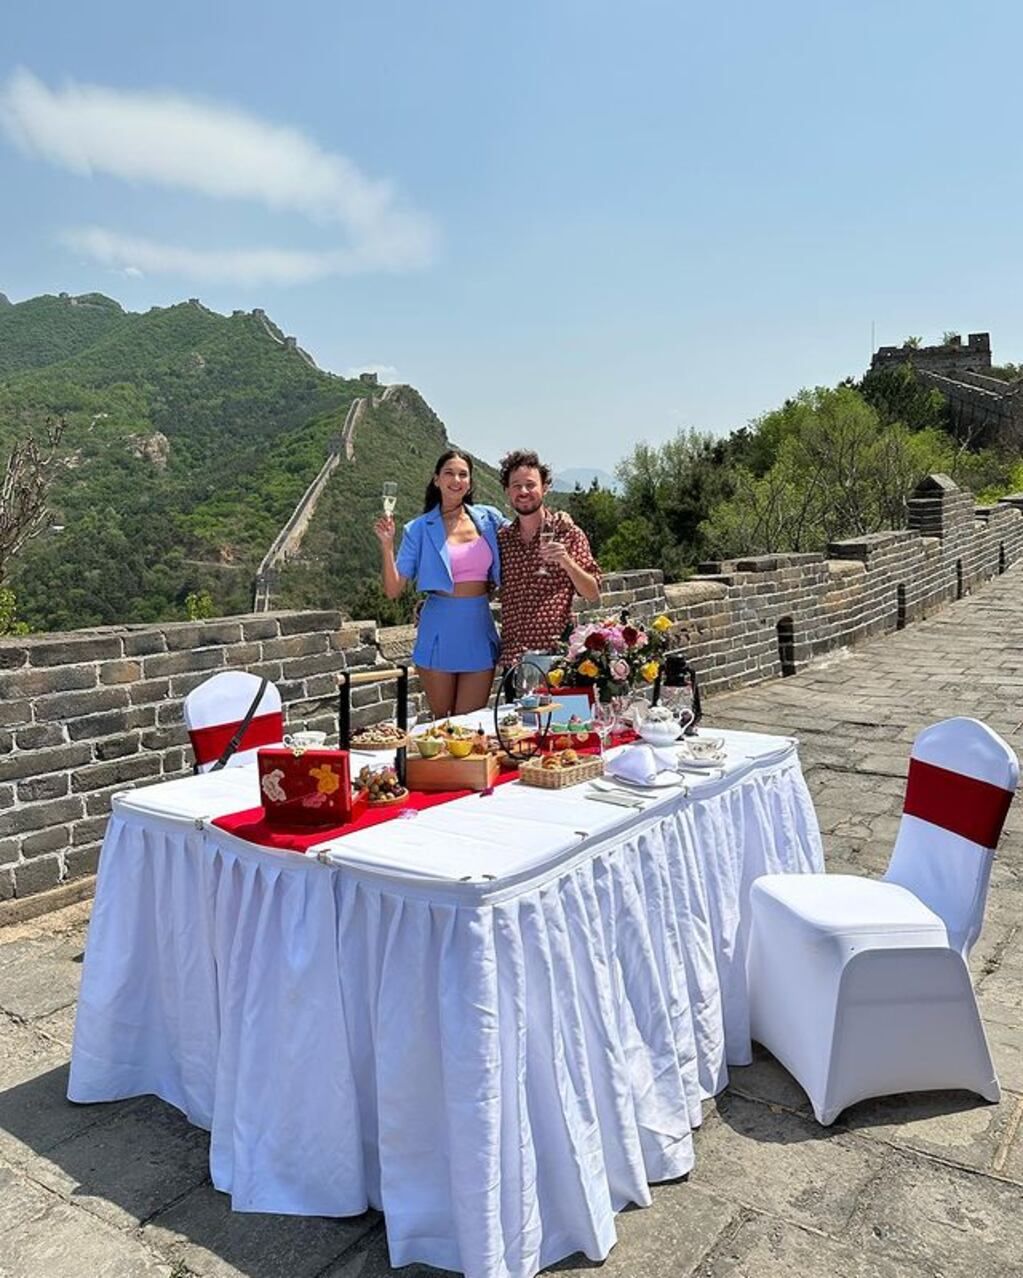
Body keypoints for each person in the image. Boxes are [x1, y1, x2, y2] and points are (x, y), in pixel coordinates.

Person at [374, 449, 506, 717]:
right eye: (449, 473)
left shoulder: (489, 519)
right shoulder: (419, 528)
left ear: (470, 482)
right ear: (436, 479)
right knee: (444, 724)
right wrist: (387, 546)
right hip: (438, 629)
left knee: (472, 724)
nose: (456, 480)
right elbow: (393, 589)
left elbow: (526, 533)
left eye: (463, 474)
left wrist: (555, 519)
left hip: (479, 627)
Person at [497, 449, 601, 668]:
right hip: (513, 660)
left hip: (557, 660)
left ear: (545, 487)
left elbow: (592, 593)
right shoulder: (501, 540)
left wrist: (567, 562)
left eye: (530, 485)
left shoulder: (569, 534)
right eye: (516, 486)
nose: (523, 491)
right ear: (507, 491)